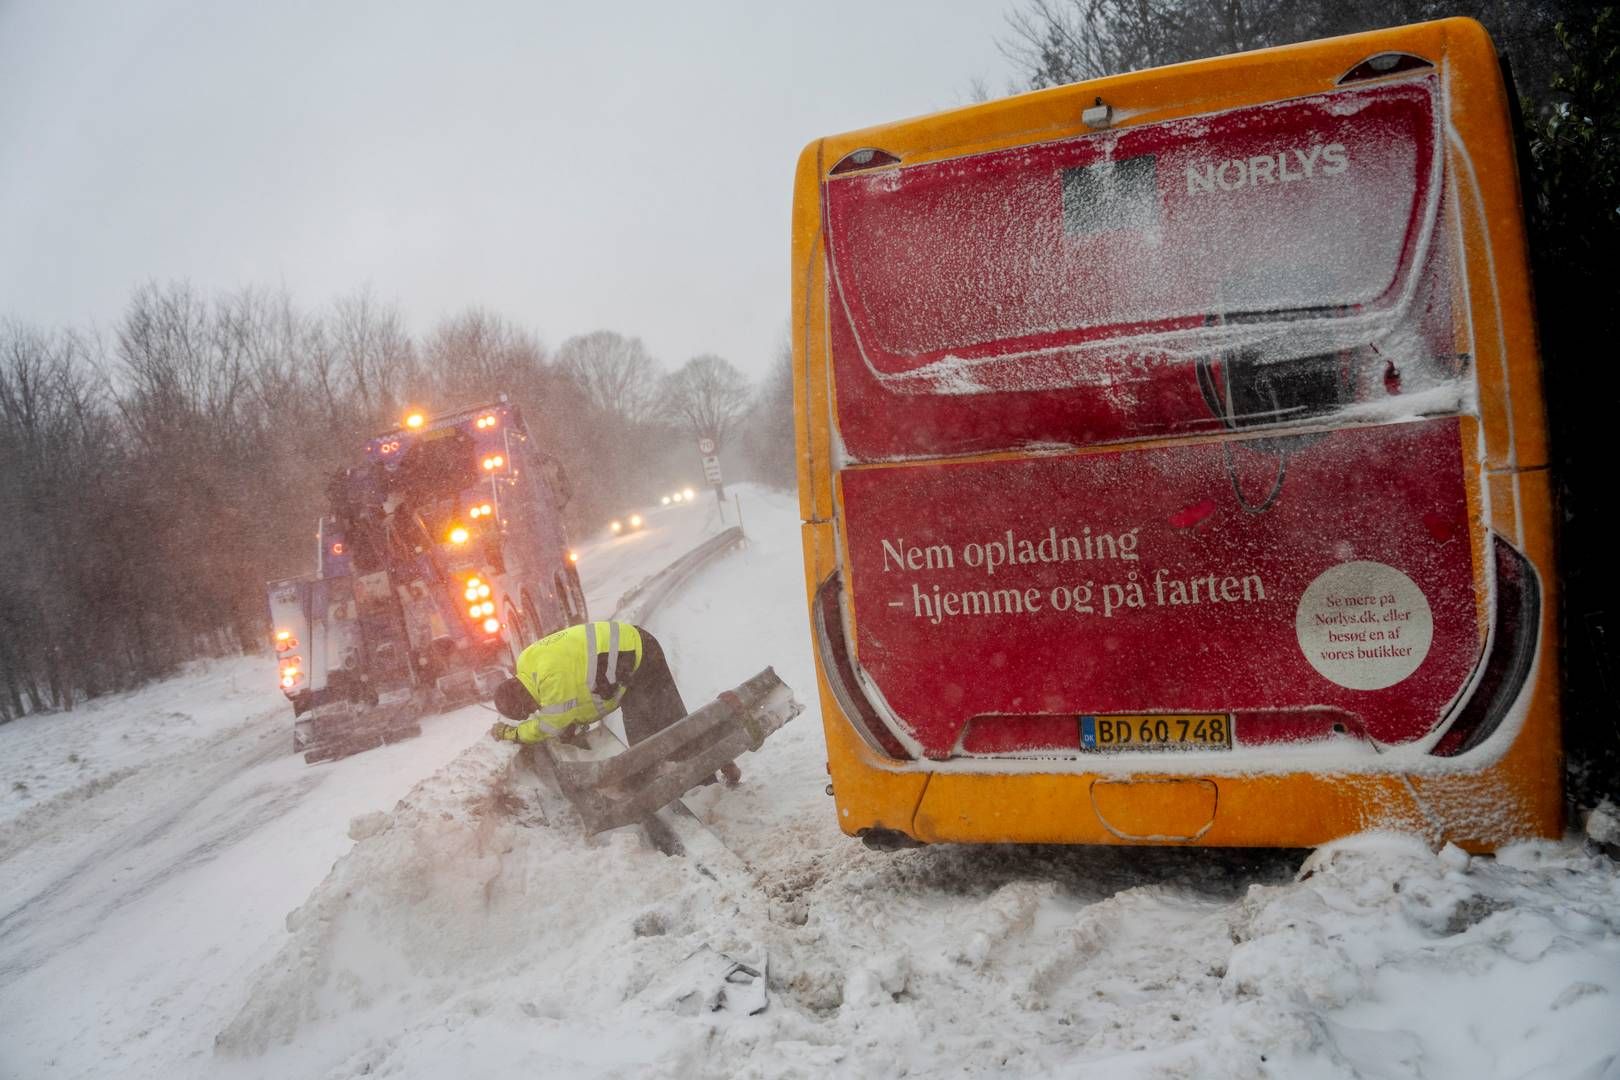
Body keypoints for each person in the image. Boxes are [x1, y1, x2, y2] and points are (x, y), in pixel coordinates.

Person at [489, 619, 741, 783]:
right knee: (657, 732)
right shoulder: (526, 661)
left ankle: (713, 769)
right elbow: (579, 686)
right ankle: (714, 764)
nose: (536, 709)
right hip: (627, 651)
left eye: (531, 709)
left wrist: (512, 733)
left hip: (639, 658)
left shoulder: (551, 683)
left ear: (524, 698)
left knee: (657, 737)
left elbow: (548, 726)